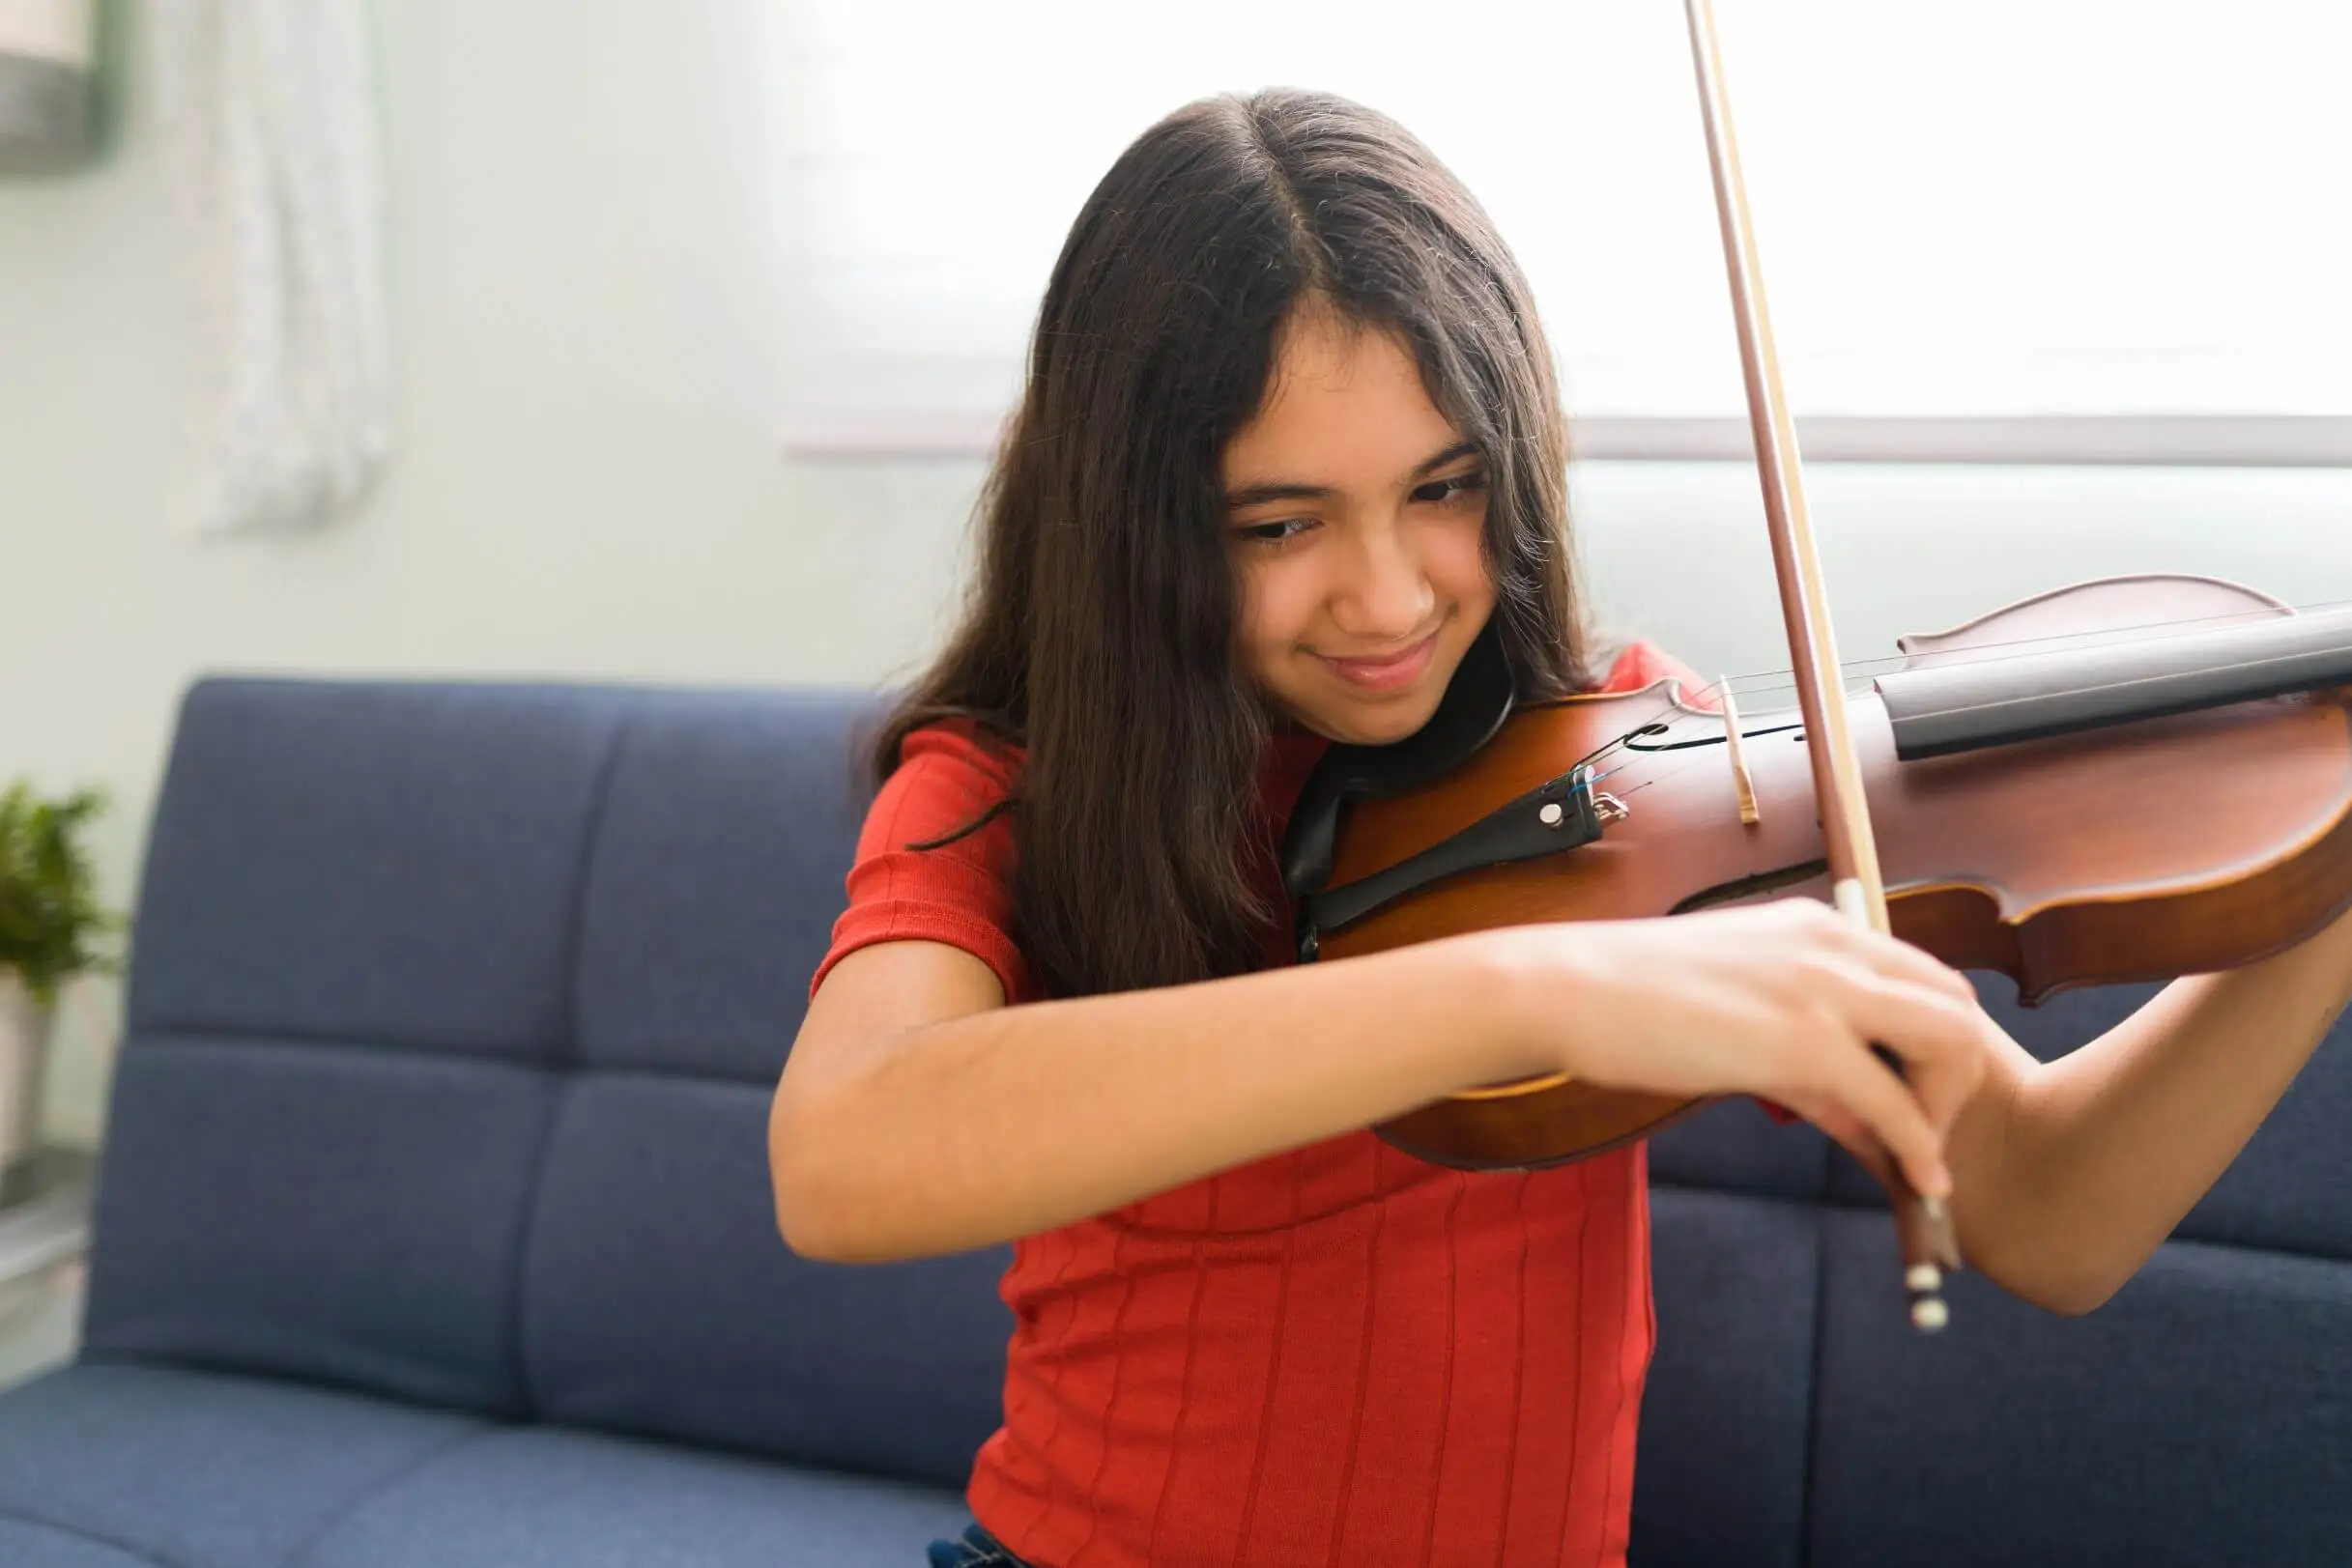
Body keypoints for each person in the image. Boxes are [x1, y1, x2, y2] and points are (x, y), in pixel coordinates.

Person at [767, 88, 2352, 1568]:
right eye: (1279, 524)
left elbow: (2052, 1216)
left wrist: (2331, 864)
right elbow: (841, 1161)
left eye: (1443, 490)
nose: (1388, 597)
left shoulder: (1649, 769)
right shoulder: (1012, 787)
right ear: (1134, 522)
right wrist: (1530, 988)